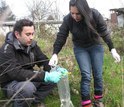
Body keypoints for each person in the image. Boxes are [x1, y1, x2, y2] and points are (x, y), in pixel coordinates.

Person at [49, 0, 121, 107]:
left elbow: (104, 32)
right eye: (72, 13)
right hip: (80, 48)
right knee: (86, 74)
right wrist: (55, 53)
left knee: (97, 74)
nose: (74, 16)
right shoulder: (68, 19)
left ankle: (98, 100)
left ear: (84, 11)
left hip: (95, 46)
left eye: (78, 13)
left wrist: (112, 49)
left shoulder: (95, 15)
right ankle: (86, 103)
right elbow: (61, 36)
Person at [0, 19, 66, 107]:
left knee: (53, 79)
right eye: (28, 34)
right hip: (11, 84)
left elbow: (43, 61)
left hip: (28, 78)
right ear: (17, 34)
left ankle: (34, 101)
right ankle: (19, 103)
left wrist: (55, 69)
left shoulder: (32, 45)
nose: (31, 37)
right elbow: (15, 73)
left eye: (32, 34)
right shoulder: (7, 49)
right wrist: (45, 76)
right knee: (27, 88)